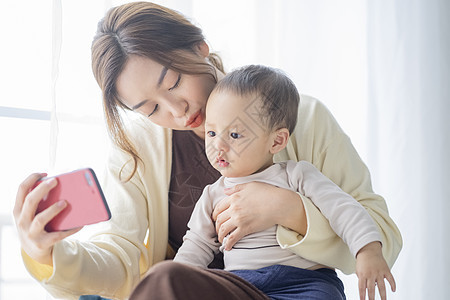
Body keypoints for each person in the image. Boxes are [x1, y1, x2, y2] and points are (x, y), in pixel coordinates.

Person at [13, 2, 402, 300]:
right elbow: (127, 258)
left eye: (175, 82)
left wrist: (287, 209)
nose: (177, 111)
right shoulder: (138, 148)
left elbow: (383, 235)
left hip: (302, 287)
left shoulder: (304, 117)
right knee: (164, 278)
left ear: (200, 48)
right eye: (150, 108)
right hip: (222, 289)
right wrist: (49, 256)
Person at [167, 64, 395, 300]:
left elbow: (344, 209)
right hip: (242, 284)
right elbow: (197, 245)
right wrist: (177, 279)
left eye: (234, 135)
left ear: (277, 141)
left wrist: (367, 251)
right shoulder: (213, 194)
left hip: (305, 281)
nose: (218, 146)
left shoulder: (297, 175)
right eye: (212, 133)